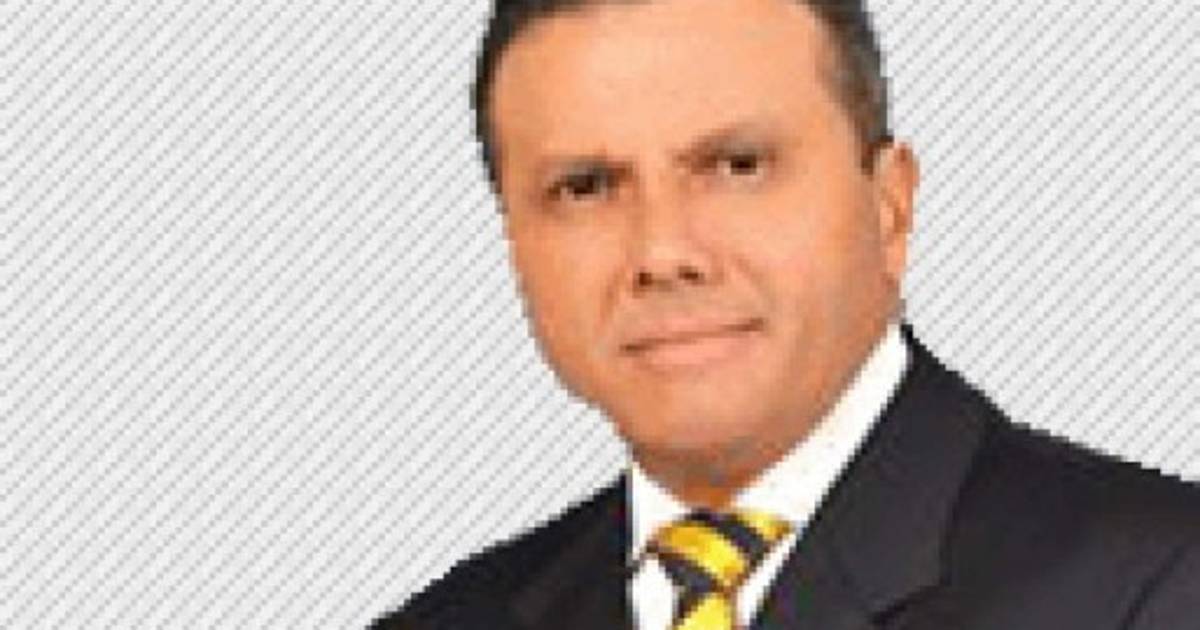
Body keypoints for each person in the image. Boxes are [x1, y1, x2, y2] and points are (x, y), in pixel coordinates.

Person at [374, 0, 1198, 627]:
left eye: (738, 165)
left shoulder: (1159, 587)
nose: (663, 251)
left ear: (889, 206)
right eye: (584, 187)